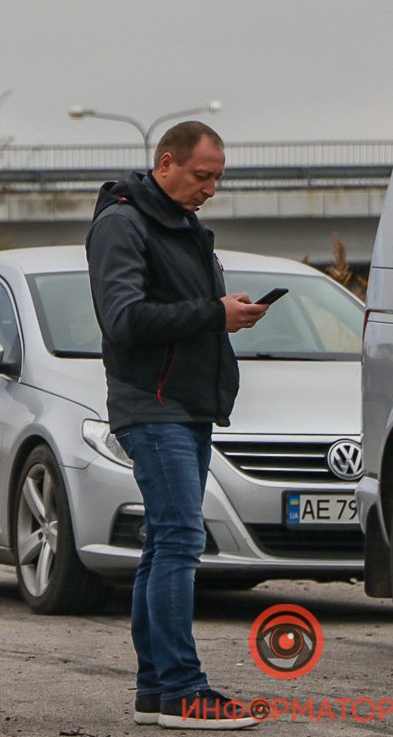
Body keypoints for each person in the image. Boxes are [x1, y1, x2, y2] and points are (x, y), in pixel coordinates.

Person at [86, 121, 268, 730]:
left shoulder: (184, 225)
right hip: (153, 404)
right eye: (202, 175)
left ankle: (157, 691)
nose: (211, 188)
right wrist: (214, 313)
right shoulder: (122, 222)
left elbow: (179, 313)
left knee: (165, 543)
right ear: (167, 163)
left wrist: (222, 312)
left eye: (217, 177)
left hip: (186, 404)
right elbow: (124, 318)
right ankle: (186, 691)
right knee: (180, 540)